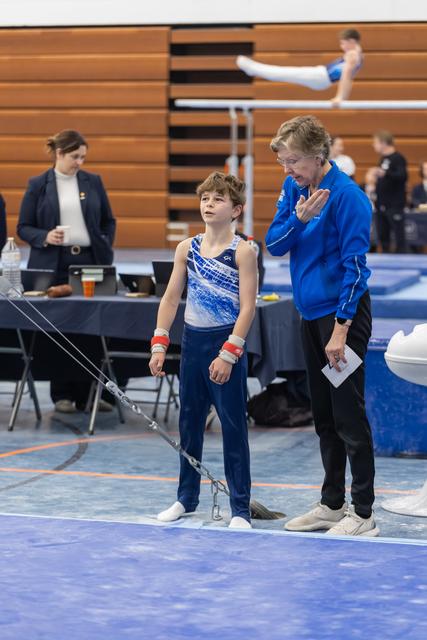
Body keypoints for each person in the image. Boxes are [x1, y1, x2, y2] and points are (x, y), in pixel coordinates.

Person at [265, 115, 378, 537]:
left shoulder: (349, 198)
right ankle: (332, 503)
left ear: (317, 156)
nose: (287, 169)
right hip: (309, 314)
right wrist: (297, 218)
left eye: (293, 161)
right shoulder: (295, 188)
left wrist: (342, 329)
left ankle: (364, 513)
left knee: (349, 416)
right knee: (324, 417)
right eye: (283, 162)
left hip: (341, 317)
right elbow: (275, 245)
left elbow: (355, 268)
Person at [149, 171, 257, 529]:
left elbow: (247, 308)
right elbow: (169, 297)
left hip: (224, 343)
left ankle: (240, 508)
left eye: (218, 199)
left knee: (232, 427)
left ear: (237, 209)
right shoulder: (187, 248)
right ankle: (185, 498)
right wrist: (160, 341)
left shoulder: (243, 252)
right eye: (205, 199)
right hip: (193, 343)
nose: (209, 205)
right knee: (188, 424)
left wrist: (229, 353)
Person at [17, 129, 116, 413]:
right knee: (59, 330)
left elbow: (109, 220)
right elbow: (23, 226)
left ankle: (90, 394)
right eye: (75, 156)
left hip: (90, 264)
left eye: (83, 157)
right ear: (59, 154)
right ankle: (62, 393)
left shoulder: (93, 182)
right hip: (54, 265)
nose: (80, 163)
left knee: (90, 328)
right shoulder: (38, 184)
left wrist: (104, 242)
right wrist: (45, 236)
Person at [236, 28, 363, 105]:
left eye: (343, 43)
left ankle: (253, 69)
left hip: (320, 76)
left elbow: (346, 76)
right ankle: (254, 69)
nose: (342, 47)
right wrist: (343, 98)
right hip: (321, 76)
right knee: (284, 74)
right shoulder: (359, 56)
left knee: (284, 73)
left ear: (351, 41)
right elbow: (348, 79)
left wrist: (340, 98)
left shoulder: (352, 55)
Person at [370, 130, 408, 253]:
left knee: (398, 237)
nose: (373, 145)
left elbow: (402, 176)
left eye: (375, 143)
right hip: (381, 204)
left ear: (384, 143)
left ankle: (402, 261)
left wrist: (385, 173)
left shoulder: (398, 158)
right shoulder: (383, 159)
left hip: (394, 204)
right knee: (383, 236)